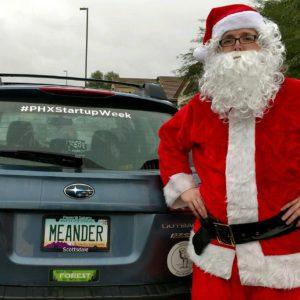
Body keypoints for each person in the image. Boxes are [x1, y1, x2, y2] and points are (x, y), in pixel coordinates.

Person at [158, 4, 300, 300]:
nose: (238, 46)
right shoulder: (202, 105)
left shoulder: (296, 96)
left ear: (264, 44)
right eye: (228, 39)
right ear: (217, 50)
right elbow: (170, 141)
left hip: (284, 258)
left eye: (248, 36)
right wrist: (184, 188)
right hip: (217, 260)